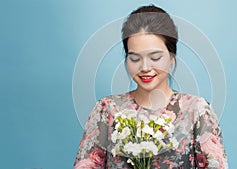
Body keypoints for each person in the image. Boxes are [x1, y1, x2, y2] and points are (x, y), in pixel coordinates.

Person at [74, 5, 228, 169]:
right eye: (135, 59)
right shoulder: (106, 110)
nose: (145, 67)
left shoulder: (196, 111)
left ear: (172, 58)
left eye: (155, 57)